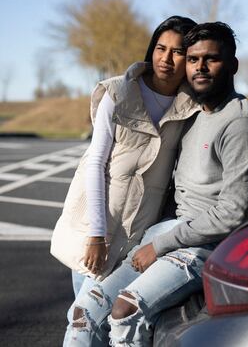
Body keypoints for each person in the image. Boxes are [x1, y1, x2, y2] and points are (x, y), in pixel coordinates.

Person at [63, 22, 248, 347]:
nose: (200, 67)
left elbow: (233, 213)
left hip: (206, 246)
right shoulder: (191, 114)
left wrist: (160, 245)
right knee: (85, 310)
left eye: (211, 59)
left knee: (125, 310)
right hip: (167, 234)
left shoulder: (240, 122)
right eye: (192, 59)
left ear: (232, 65)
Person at [51, 15, 199, 297]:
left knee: (110, 321)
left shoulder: (190, 108)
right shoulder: (118, 92)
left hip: (138, 235)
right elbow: (95, 162)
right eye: (160, 47)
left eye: (178, 51)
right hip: (95, 228)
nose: (166, 58)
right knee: (82, 319)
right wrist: (96, 234)